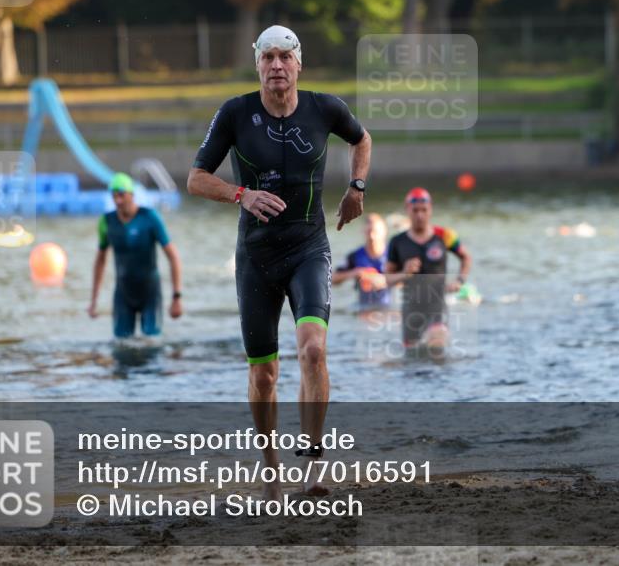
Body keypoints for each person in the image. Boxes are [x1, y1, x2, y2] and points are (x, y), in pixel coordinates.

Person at [186, 25, 372, 499]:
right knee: (264, 373)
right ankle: (270, 469)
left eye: (284, 57)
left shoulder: (324, 107)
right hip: (256, 257)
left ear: (298, 63)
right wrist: (240, 195)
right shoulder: (235, 113)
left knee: (313, 350)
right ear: (257, 65)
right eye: (267, 57)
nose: (276, 66)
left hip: (310, 247)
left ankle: (313, 467)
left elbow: (362, 139)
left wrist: (357, 187)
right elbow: (195, 179)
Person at [89, 173, 183, 338]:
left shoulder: (150, 217)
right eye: (114, 196)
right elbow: (100, 260)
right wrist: (94, 301)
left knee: (152, 344)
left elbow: (173, 256)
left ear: (131, 194)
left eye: (121, 195)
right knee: (122, 345)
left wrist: (176, 297)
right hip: (123, 293)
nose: (117, 200)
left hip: (150, 293)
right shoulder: (106, 221)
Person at [384, 187, 472, 349]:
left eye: (424, 210)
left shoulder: (445, 235)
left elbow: (466, 257)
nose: (419, 215)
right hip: (411, 308)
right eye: (415, 210)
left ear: (430, 209)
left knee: (437, 344)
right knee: (413, 361)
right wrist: (404, 273)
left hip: (437, 307)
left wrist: (460, 280)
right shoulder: (397, 242)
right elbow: (387, 279)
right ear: (407, 210)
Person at [332, 212, 390, 311]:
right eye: (369, 232)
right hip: (363, 308)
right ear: (363, 231)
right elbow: (332, 279)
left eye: (375, 231)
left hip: (389, 308)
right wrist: (354, 273)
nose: (372, 236)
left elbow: (409, 278)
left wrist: (384, 280)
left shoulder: (393, 254)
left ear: (384, 231)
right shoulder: (354, 256)